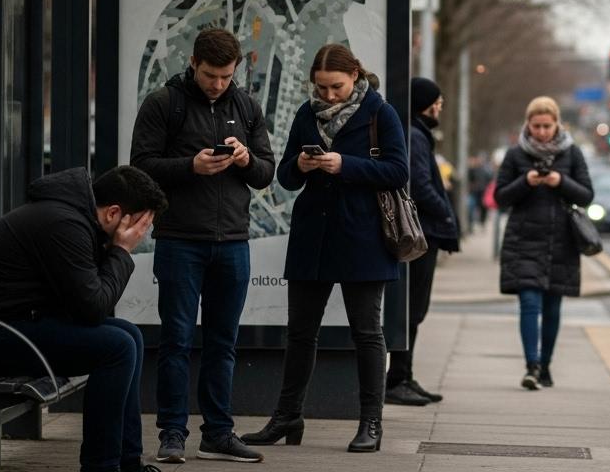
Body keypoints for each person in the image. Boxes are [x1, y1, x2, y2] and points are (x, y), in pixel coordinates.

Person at [0, 166, 168, 472]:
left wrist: (113, 251)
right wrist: (122, 251)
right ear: (115, 213)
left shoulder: (74, 219)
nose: (143, 234)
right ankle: (101, 466)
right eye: (141, 225)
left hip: (14, 324)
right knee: (117, 347)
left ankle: (128, 463)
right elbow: (92, 307)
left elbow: (85, 304)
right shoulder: (64, 224)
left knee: (130, 336)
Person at [241, 44, 407, 453]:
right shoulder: (305, 113)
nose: (328, 95)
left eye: (336, 86)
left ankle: (371, 422)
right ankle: (287, 417)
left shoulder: (379, 113)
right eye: (321, 87)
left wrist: (344, 165)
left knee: (367, 333)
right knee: (299, 333)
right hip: (312, 236)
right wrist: (300, 165)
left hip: (363, 237)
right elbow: (285, 176)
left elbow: (398, 171)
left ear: (355, 76)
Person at [129, 27, 277, 464]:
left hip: (233, 241)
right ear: (193, 63)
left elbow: (267, 172)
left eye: (226, 76)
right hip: (180, 240)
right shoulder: (164, 103)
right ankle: (172, 432)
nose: (217, 84)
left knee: (222, 342)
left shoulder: (246, 105)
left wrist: (247, 158)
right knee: (176, 340)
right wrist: (191, 166)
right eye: (210, 74)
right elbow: (141, 167)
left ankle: (218, 432)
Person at [495, 96, 594, 391]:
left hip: (561, 242)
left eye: (547, 126)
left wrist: (558, 182)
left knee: (552, 308)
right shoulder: (515, 155)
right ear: (528, 124)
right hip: (523, 240)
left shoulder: (572, 154)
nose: (541, 132)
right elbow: (500, 197)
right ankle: (532, 366)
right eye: (536, 126)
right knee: (529, 303)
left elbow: (587, 195)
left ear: (557, 124)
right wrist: (526, 181)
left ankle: (546, 366)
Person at [385, 77, 461, 406]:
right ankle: (397, 378)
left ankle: (404, 375)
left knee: (414, 309)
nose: (440, 106)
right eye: (437, 101)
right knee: (411, 309)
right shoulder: (416, 135)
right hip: (420, 233)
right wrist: (446, 213)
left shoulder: (416, 133)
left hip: (423, 231)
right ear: (424, 104)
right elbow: (420, 184)